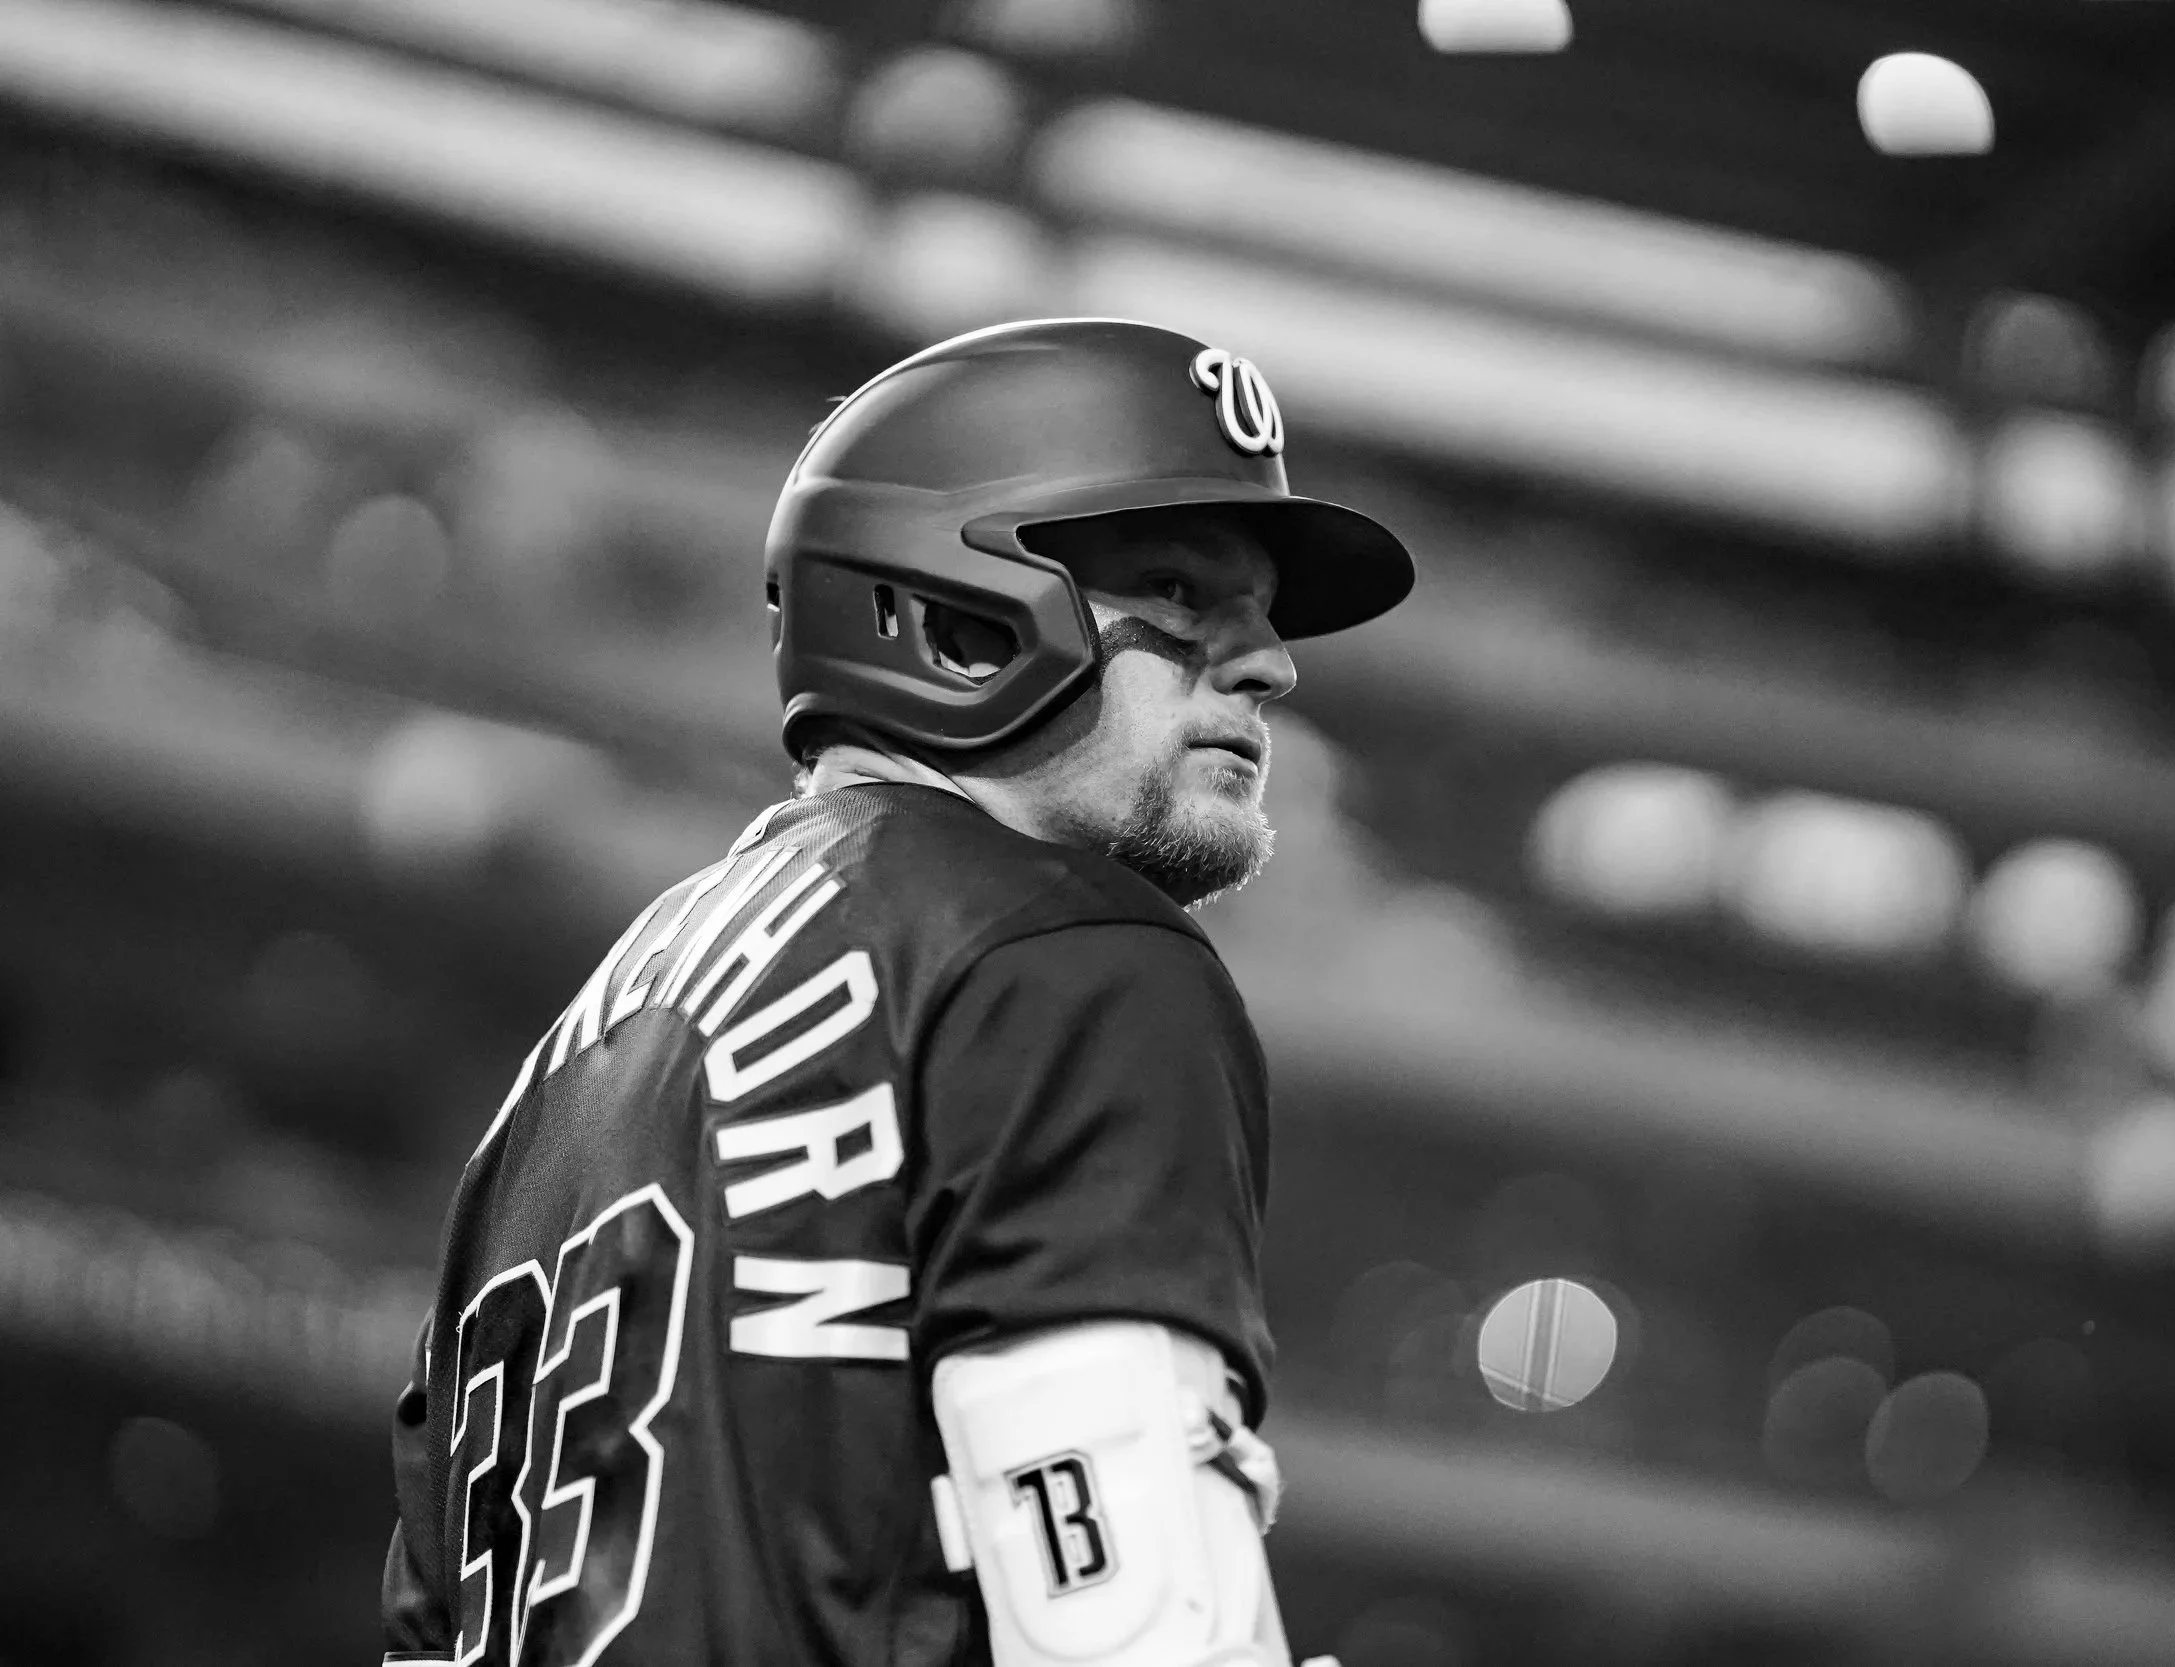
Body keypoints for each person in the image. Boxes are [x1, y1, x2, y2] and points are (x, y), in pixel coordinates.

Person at [377, 318, 1414, 1667]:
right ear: (953, 614)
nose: (1269, 662)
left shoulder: (582, 1053)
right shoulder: (1067, 958)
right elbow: (1136, 1627)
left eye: (1262, 615)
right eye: (1176, 591)